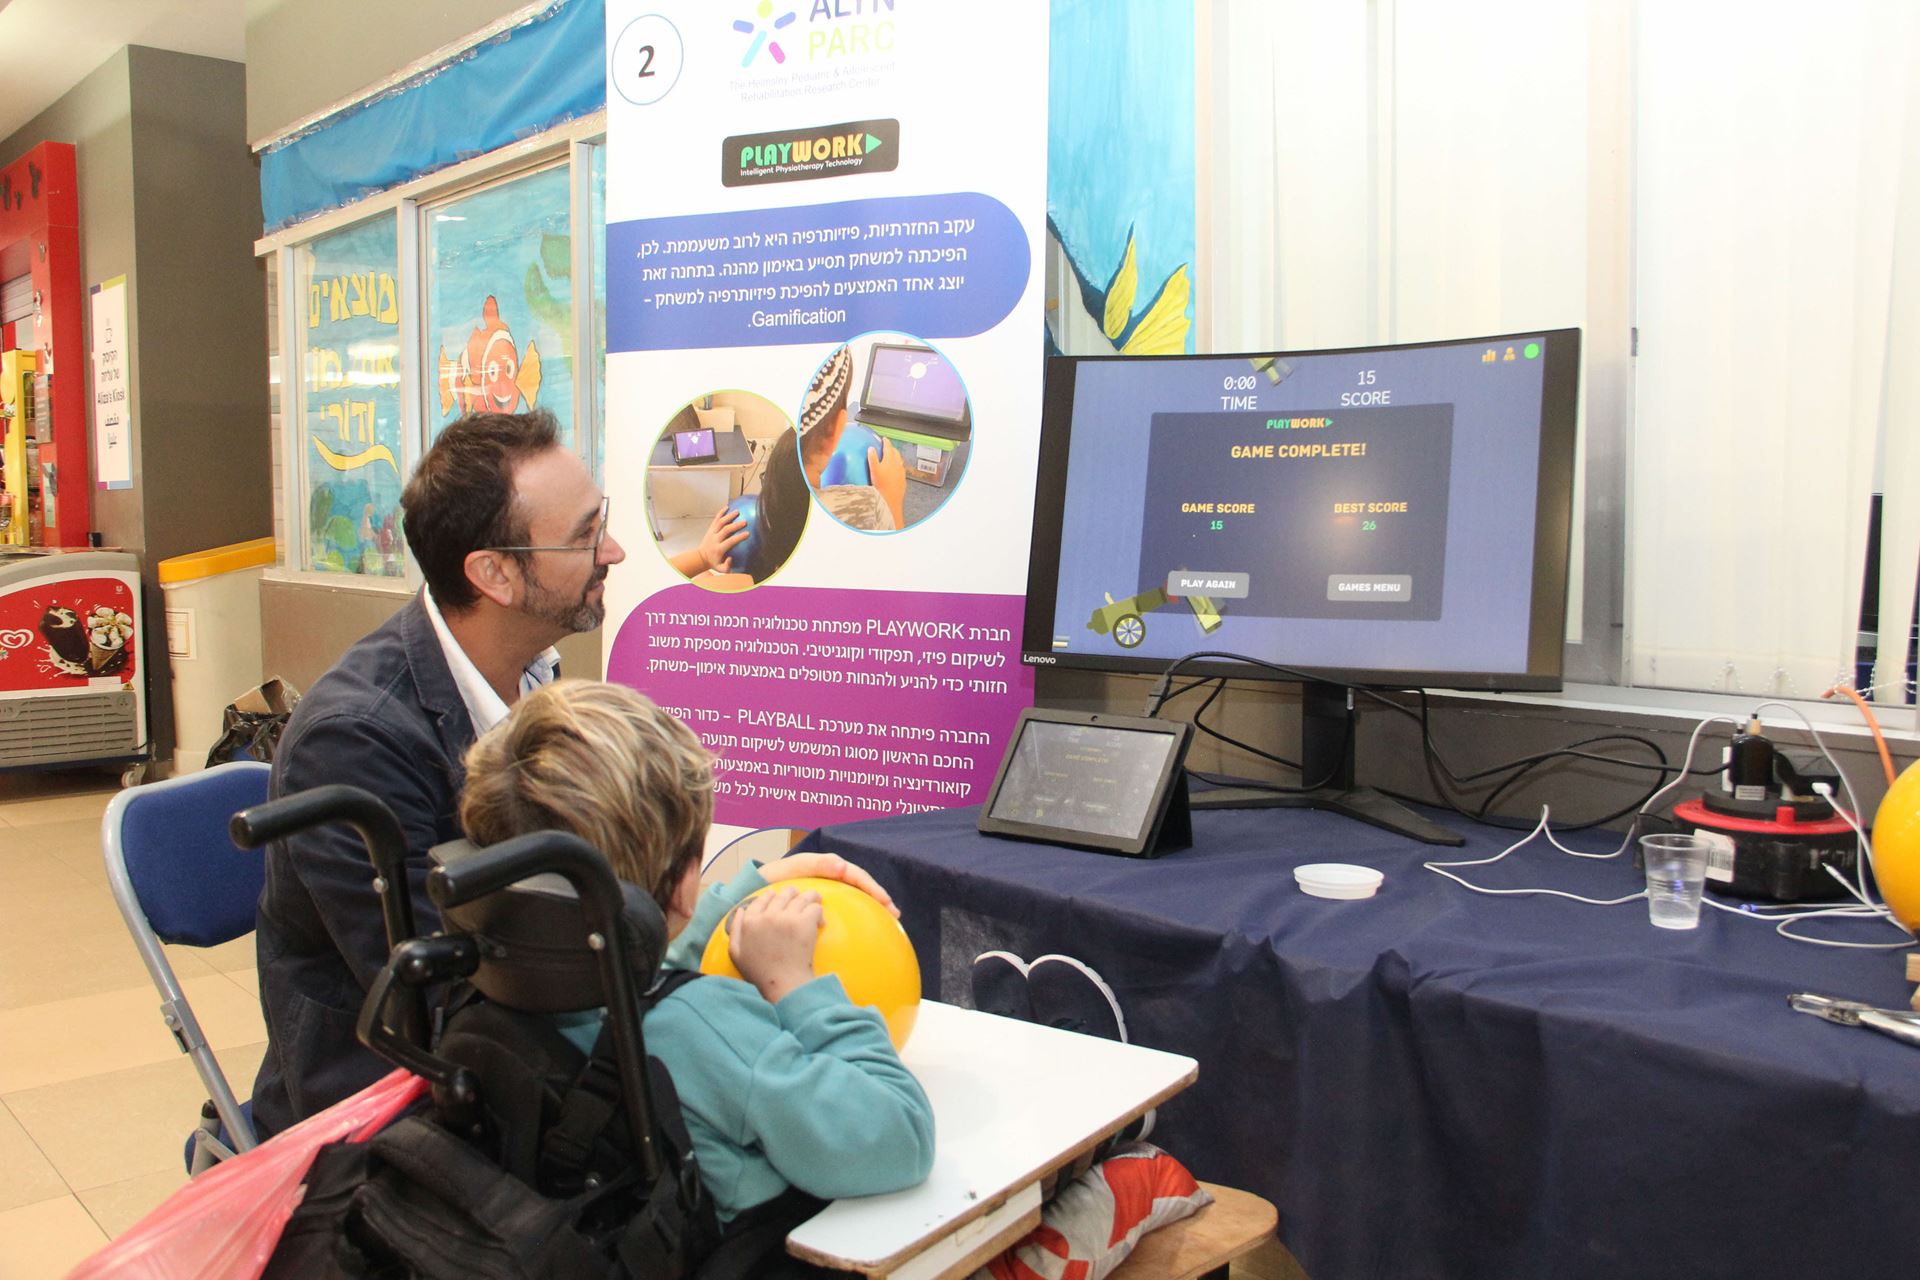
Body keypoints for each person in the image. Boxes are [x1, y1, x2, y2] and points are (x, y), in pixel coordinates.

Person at [251, 409, 624, 1138]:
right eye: (582, 535)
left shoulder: (530, 676)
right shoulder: (354, 744)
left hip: (519, 1053)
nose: (612, 549)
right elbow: (442, 1003)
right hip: (391, 1117)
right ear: (494, 575)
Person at [459, 679, 936, 1225]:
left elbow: (631, 966)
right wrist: (794, 984)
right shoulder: (704, 1028)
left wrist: (735, 898)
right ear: (686, 879)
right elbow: (901, 1136)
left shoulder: (492, 976)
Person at [798, 345, 907, 532]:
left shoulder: (773, 490)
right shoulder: (867, 505)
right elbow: (894, 556)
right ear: (839, 425)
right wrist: (891, 501)